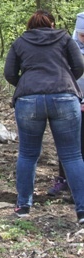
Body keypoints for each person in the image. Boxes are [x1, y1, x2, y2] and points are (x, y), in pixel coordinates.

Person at [4, 9, 84, 224]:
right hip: (65, 98)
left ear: (30, 26)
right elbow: (79, 66)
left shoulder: (20, 42)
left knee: (28, 154)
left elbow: (9, 73)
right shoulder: (65, 38)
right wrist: (66, 82)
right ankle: (82, 210)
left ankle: (23, 206)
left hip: (29, 100)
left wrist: (27, 83)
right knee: (72, 155)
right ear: (52, 24)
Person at [48, 12, 84, 197]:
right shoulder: (67, 48)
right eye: (82, 35)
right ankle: (65, 180)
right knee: (67, 145)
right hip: (70, 103)